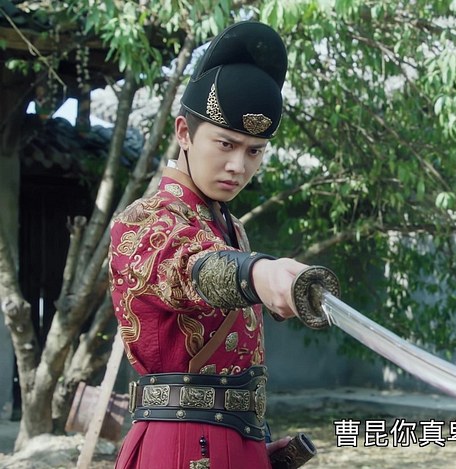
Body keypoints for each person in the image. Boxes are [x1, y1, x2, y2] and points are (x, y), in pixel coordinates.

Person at [109, 21, 310, 468]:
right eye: (226, 143)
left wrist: (252, 443)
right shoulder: (145, 219)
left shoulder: (231, 228)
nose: (238, 165)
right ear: (184, 132)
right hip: (179, 447)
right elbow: (189, 268)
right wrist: (259, 272)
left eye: (254, 151)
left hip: (237, 443)